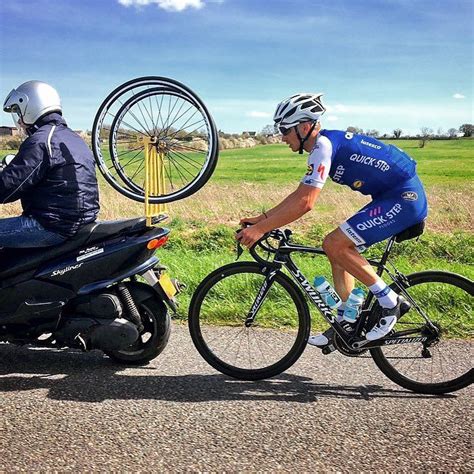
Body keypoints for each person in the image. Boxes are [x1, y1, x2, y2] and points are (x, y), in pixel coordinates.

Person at [236, 93, 427, 344]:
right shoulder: (323, 145)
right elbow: (300, 194)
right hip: (390, 197)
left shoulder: (323, 146)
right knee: (338, 252)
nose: (281, 136)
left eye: (284, 129)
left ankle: (390, 302)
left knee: (334, 244)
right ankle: (348, 321)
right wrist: (262, 219)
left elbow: (306, 203)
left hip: (404, 198)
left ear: (304, 127)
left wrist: (261, 229)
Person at [0, 80, 100, 248]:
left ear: (30, 106)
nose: (19, 120)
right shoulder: (73, 139)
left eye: (19, 112)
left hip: (52, 225)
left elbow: (7, 188)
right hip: (80, 221)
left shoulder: (41, 140)